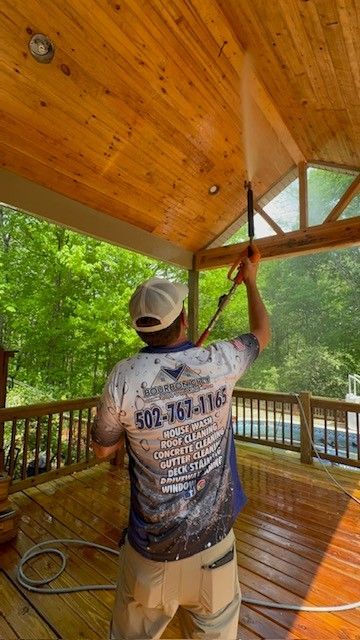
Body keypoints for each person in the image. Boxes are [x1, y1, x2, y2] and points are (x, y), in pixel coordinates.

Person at [92, 255, 270, 640]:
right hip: (214, 552)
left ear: (139, 329)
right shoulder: (219, 360)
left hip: (150, 559)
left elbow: (102, 450)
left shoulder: (123, 378)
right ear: (184, 319)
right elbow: (261, 331)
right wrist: (251, 280)